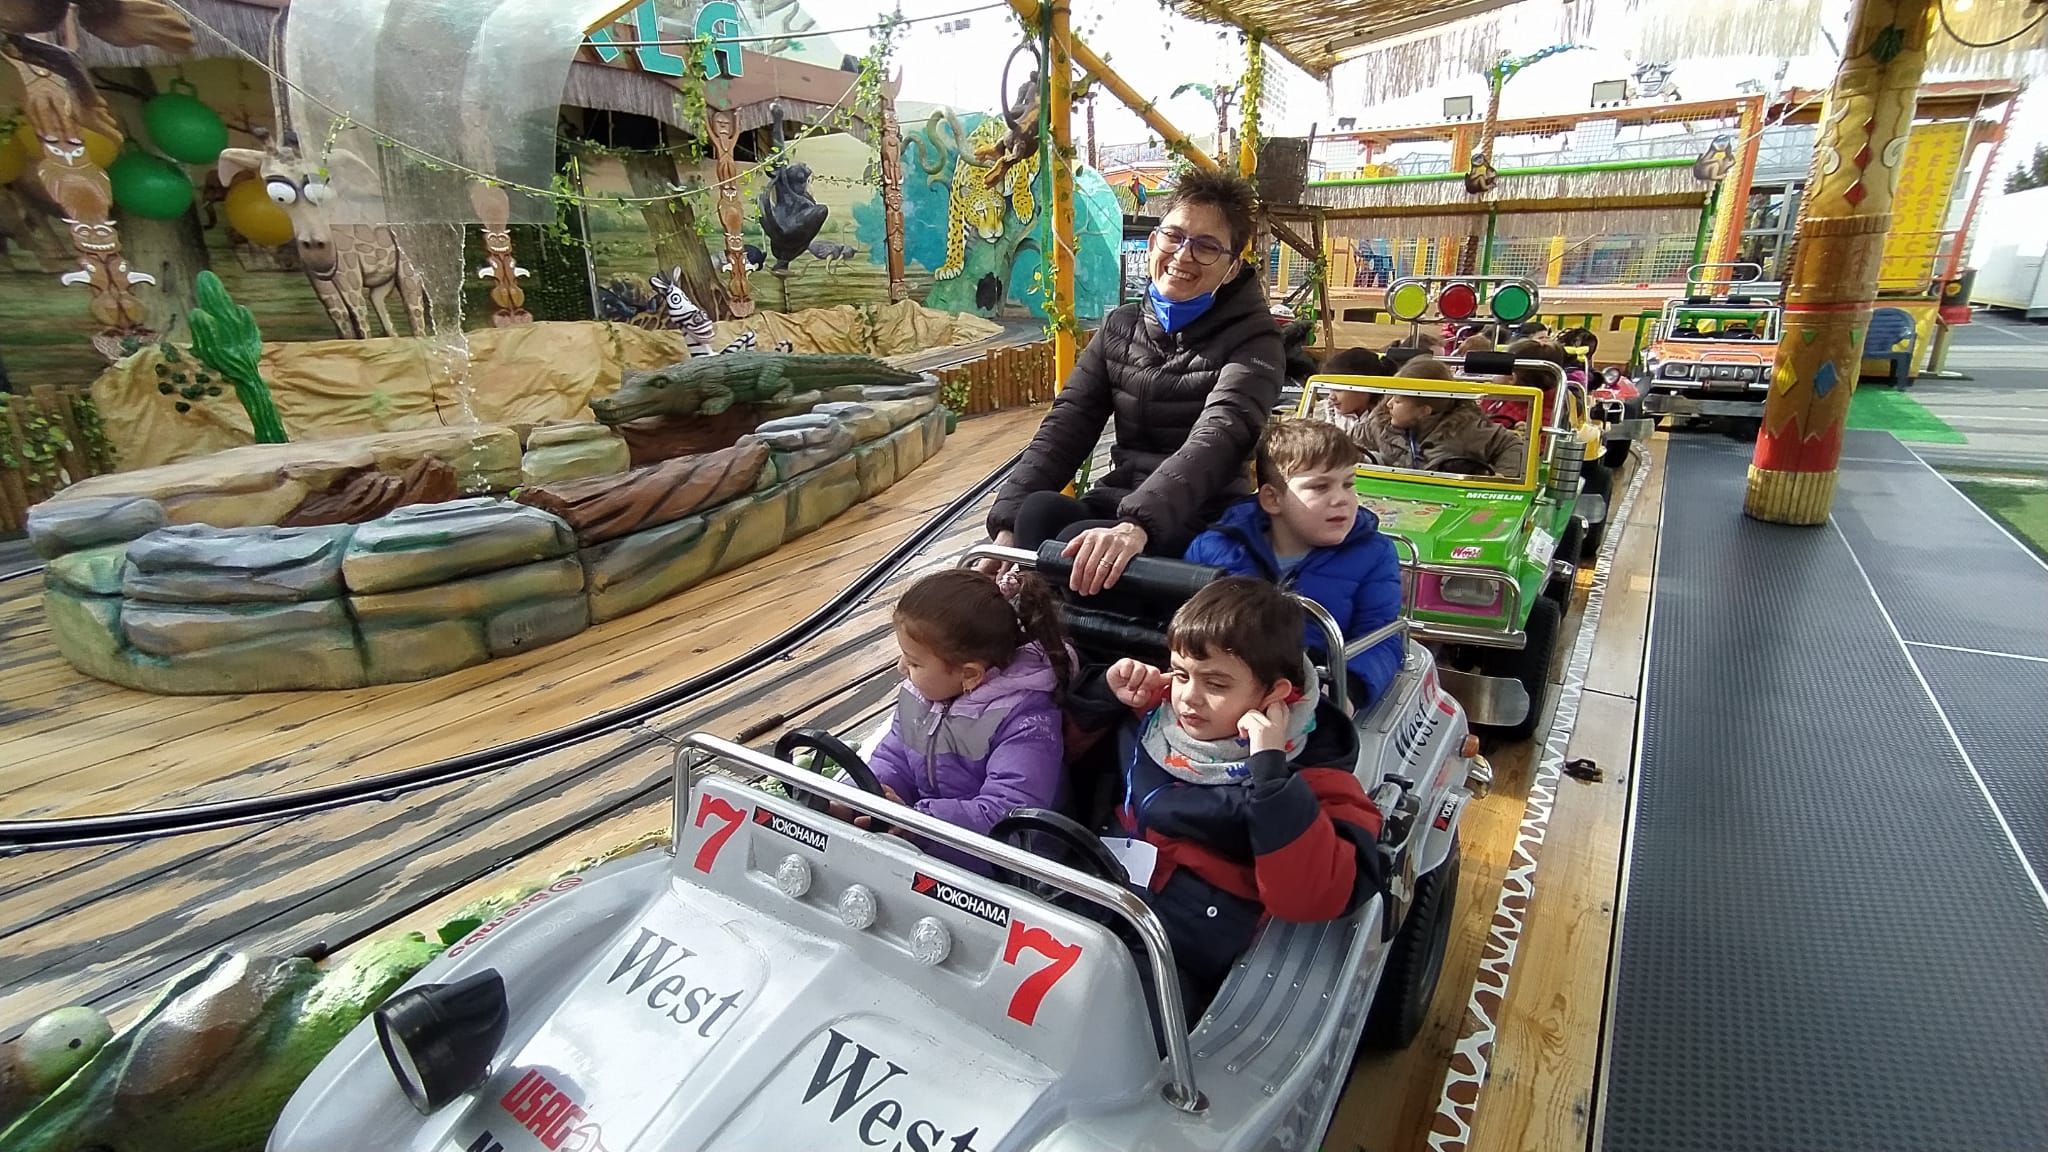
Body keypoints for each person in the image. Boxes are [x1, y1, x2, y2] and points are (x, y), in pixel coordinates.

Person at [1077, 577, 1384, 1016]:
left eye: (1216, 684)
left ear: (1274, 695)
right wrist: (1101, 696)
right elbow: (1066, 758)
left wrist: (1272, 779)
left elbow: (1315, 897)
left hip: (1186, 950)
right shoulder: (1151, 716)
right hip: (1101, 894)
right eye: (1181, 674)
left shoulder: (1315, 777)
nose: (1188, 698)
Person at [985, 168, 1282, 595]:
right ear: (1152, 241)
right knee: (1037, 514)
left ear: (1232, 268)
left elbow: (1222, 434)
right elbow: (1067, 424)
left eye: (1206, 247)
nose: (1182, 256)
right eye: (1174, 237)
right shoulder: (1122, 326)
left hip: (1199, 514)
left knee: (1073, 550)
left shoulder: (1255, 341)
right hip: (1120, 500)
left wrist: (1137, 524)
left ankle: (1073, 650)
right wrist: (1005, 532)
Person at [1184, 419, 1405, 706]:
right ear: (1273, 500)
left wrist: (1348, 690)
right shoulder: (1214, 548)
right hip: (1222, 689)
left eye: (1348, 484)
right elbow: (1180, 625)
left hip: (1319, 687)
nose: (1341, 499)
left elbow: (1379, 636)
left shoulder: (1375, 553)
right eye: (1320, 487)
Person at [867, 568, 1073, 871]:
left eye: (913, 662)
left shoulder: (1025, 720)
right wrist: (862, 795)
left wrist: (917, 821)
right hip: (932, 840)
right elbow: (894, 759)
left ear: (969, 674)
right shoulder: (920, 697)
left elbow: (1010, 815)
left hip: (1015, 869)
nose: (901, 669)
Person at [1358, 357, 1527, 478]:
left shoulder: (1468, 428)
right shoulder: (1378, 424)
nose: (1389, 404)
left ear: (1424, 411)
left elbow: (1511, 444)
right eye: (1391, 397)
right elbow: (1345, 443)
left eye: (1398, 400)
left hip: (1448, 501)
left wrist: (1503, 476)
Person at [1310, 347, 1386, 445]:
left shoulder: (1385, 422)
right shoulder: (1321, 416)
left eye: (1338, 389)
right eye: (1330, 389)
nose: (1331, 397)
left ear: (1363, 387)